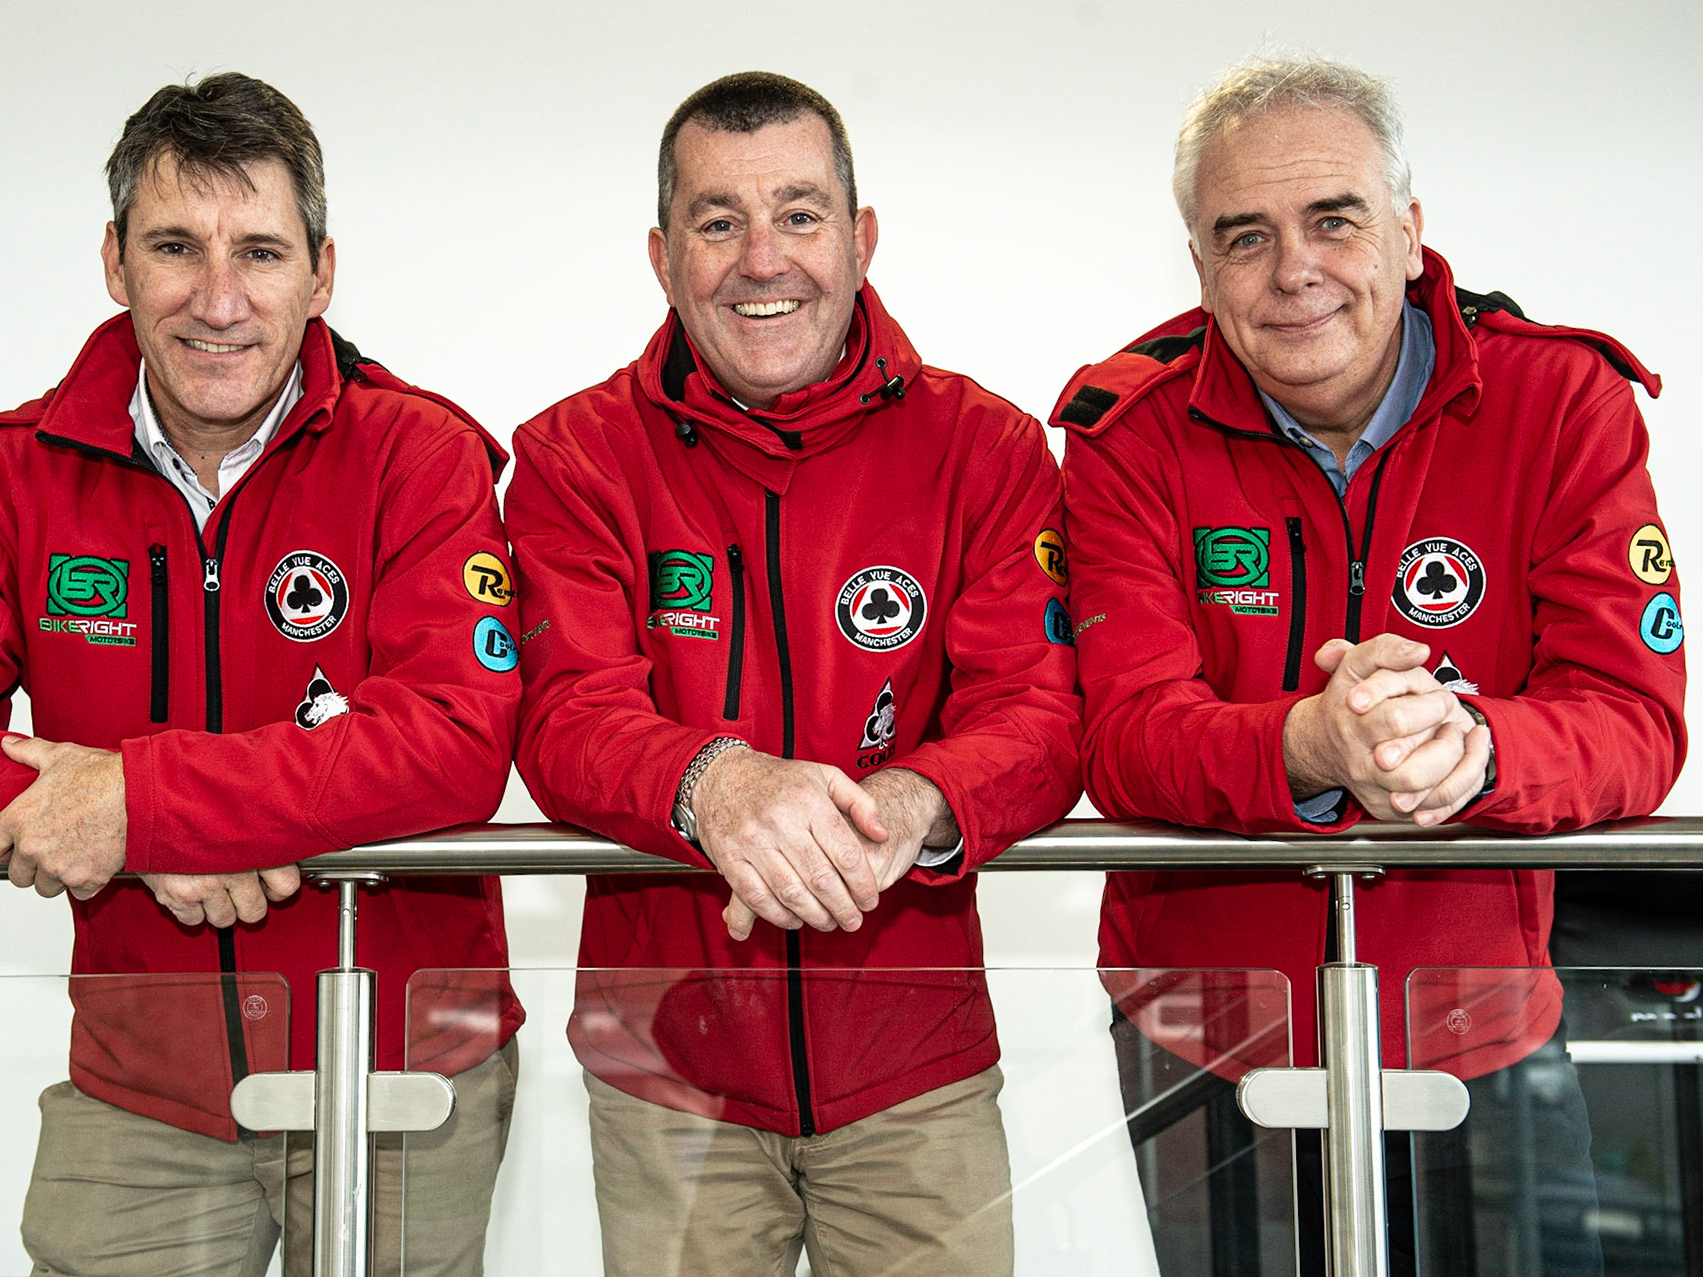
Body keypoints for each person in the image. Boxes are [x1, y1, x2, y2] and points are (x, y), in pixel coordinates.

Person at [0, 73, 522, 1277]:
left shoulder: (423, 456)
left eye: (262, 252)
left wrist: (134, 800)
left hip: (407, 1071)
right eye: (176, 246)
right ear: (116, 261)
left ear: (323, 273)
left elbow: (452, 742)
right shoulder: (6, 479)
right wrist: (146, 821)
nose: (219, 298)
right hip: (138, 1091)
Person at [1056, 54, 1686, 1274]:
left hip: (1488, 1024)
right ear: (1200, 266)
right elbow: (1121, 733)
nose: (1294, 268)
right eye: (1245, 235)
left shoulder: (1564, 403)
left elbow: (1635, 720)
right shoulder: (1126, 436)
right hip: (1202, 1033)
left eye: (1333, 220)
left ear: (1408, 231)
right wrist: (1310, 744)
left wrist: (1473, 748)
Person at [506, 71, 1080, 1277]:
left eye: (801, 214)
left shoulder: (984, 447)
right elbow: (567, 718)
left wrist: (916, 807)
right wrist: (718, 782)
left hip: (917, 1072)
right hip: (668, 1077)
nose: (763, 258)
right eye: (719, 222)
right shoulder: (574, 456)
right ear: (663, 255)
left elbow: (1036, 711)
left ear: (862, 239)